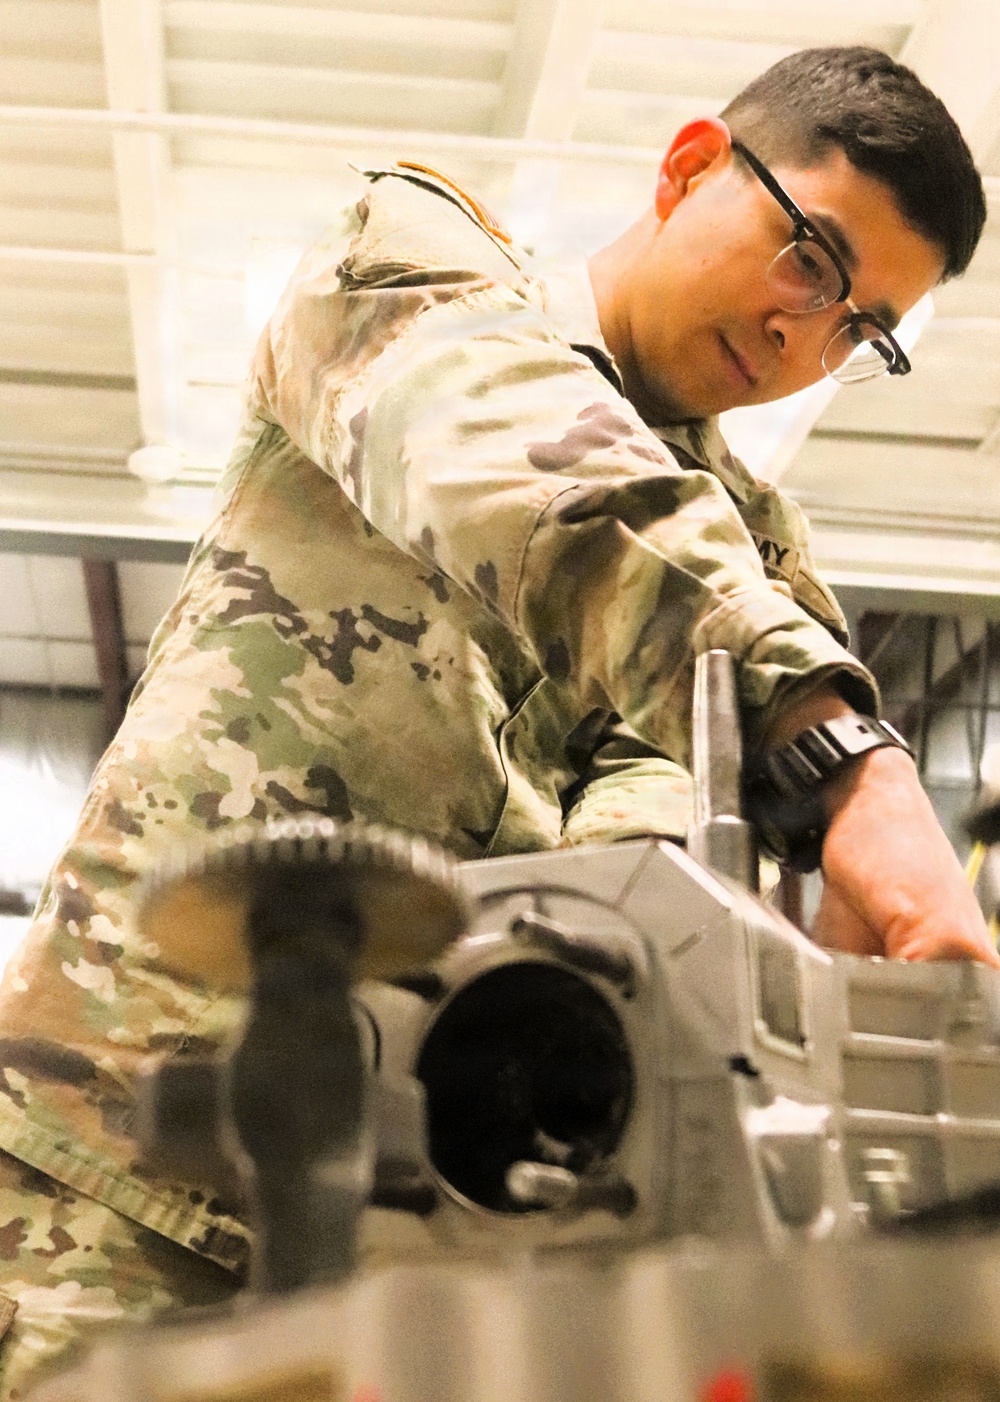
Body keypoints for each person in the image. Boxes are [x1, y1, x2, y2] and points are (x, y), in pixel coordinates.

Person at [0, 43, 994, 1397]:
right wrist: (843, 757)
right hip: (113, 1171)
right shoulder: (412, 266)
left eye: (858, 329)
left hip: (436, 1252)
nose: (800, 337)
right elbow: (534, 476)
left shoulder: (757, 556)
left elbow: (636, 886)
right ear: (692, 164)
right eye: (809, 259)